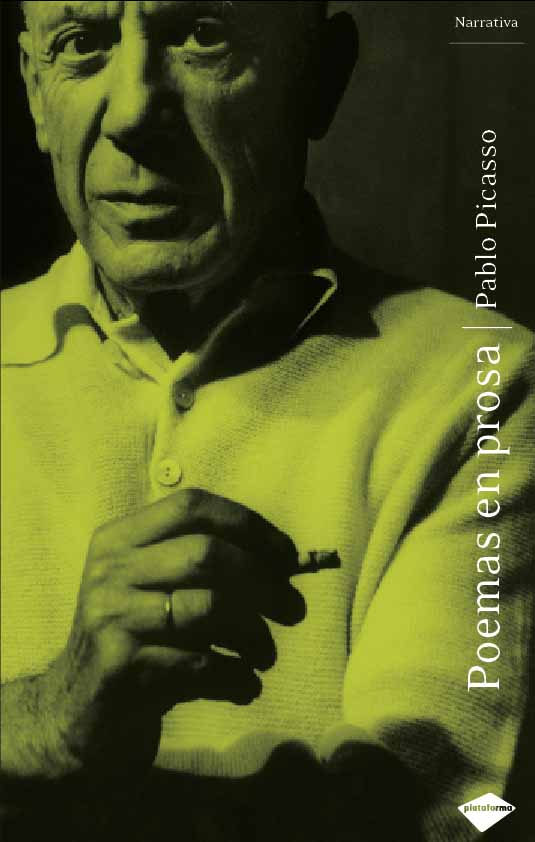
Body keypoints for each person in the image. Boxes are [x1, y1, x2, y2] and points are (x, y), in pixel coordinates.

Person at [1, 2, 533, 840]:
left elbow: (454, 817)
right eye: (82, 44)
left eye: (202, 35)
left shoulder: (483, 385)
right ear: (35, 91)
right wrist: (45, 719)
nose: (134, 111)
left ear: (320, 76)